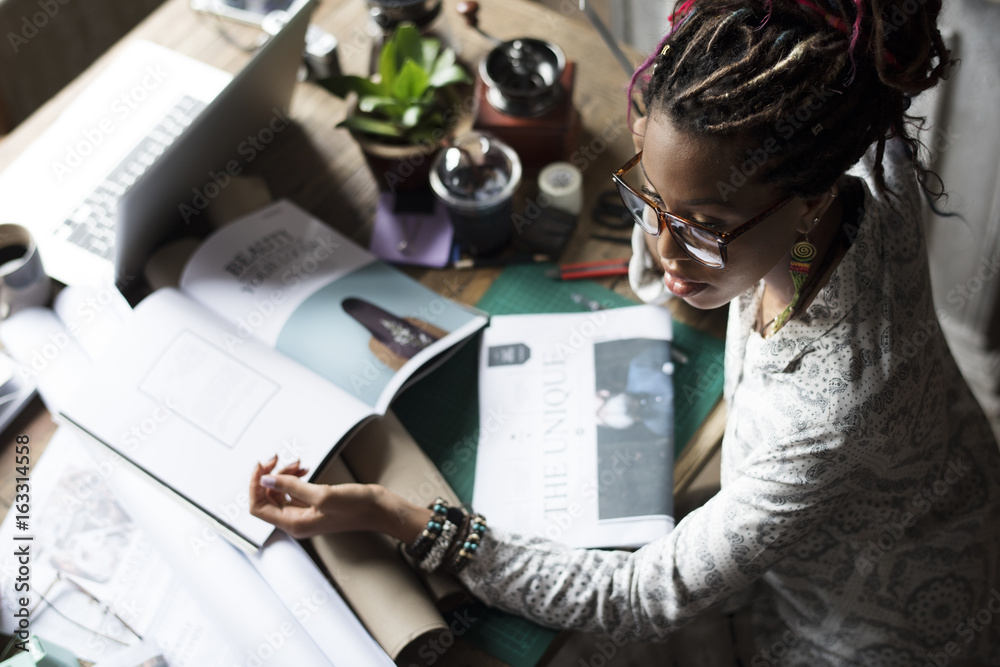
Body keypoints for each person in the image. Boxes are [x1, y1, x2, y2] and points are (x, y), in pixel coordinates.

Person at [249, 0, 1000, 663]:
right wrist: (671, 169)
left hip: (872, 618)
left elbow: (642, 595)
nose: (668, 252)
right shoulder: (850, 151)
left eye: (705, 228)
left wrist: (406, 518)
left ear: (810, 200)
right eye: (651, 198)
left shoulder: (835, 407)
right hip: (943, 472)